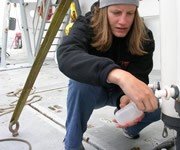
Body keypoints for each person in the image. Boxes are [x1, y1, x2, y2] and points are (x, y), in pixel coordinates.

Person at [57, 0, 161, 149]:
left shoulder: (144, 36)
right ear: (104, 9)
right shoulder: (86, 24)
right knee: (79, 83)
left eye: (130, 13)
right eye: (116, 12)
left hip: (120, 93)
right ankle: (72, 144)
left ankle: (130, 128)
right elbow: (66, 54)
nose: (123, 21)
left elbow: (140, 75)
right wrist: (117, 74)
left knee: (154, 106)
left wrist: (128, 99)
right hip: (93, 89)